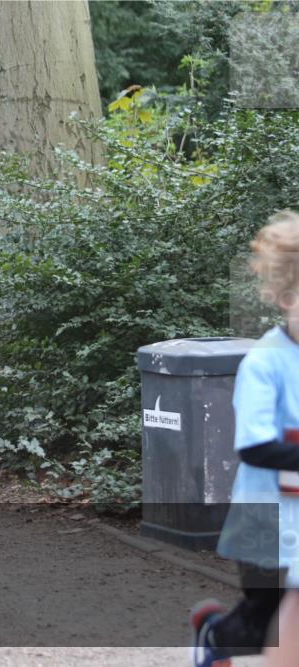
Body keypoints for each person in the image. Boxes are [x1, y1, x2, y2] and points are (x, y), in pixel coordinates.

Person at [190, 211, 299, 666]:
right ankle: (215, 637)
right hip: (267, 518)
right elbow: (253, 446)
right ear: (285, 297)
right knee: (261, 622)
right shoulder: (265, 362)